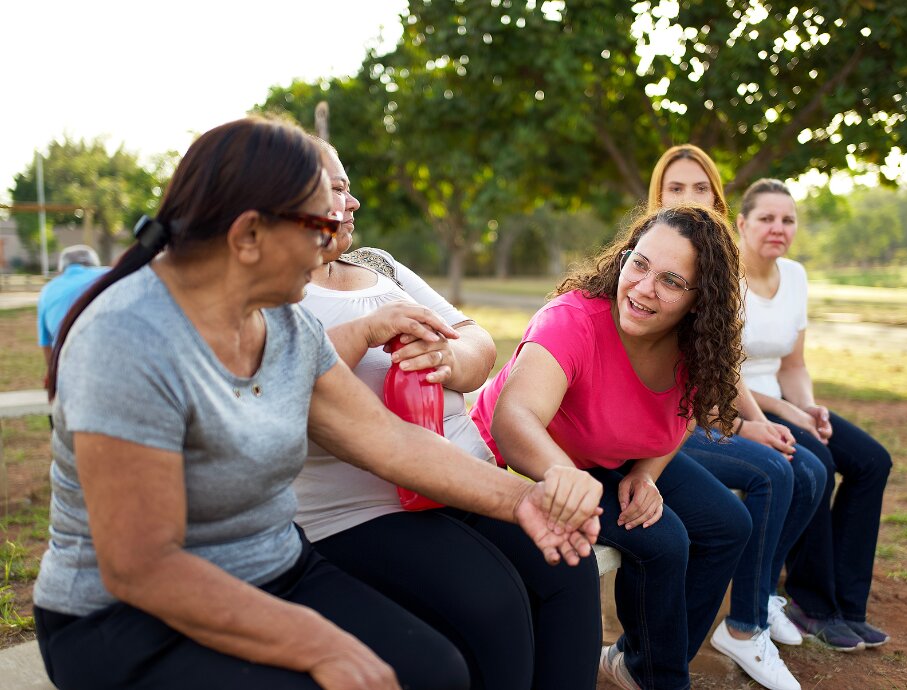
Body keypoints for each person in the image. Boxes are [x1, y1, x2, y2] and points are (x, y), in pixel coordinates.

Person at [32, 116, 601, 690]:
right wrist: (317, 643)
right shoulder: (127, 339)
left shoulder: (281, 322)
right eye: (317, 223)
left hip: (272, 569)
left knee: (434, 672)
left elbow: (390, 441)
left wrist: (527, 501)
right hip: (127, 620)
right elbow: (142, 567)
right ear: (248, 235)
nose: (332, 240)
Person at [293, 139, 603, 690]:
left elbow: (477, 343)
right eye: (338, 188)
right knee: (494, 602)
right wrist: (364, 330)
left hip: (457, 476)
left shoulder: (376, 263)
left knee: (569, 564)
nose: (354, 202)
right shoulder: (279, 291)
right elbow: (289, 379)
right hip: (364, 509)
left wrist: (447, 358)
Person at [471, 205, 753, 690]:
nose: (643, 288)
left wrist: (647, 474)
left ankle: (642, 665)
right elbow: (513, 422)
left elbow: (683, 415)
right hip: (530, 460)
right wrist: (572, 483)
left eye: (670, 280)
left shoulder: (697, 347)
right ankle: (663, 679)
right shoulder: (573, 321)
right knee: (664, 540)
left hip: (607, 454)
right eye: (638, 263)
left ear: (699, 300)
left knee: (729, 524)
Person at [647, 145, 828, 690]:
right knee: (772, 472)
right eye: (676, 189)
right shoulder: (645, 261)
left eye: (700, 189)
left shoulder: (715, 264)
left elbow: (724, 362)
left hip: (691, 415)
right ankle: (744, 626)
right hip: (656, 423)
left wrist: (755, 419)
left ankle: (759, 596)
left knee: (809, 471)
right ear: (657, 196)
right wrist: (739, 426)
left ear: (718, 199)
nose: (689, 199)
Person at [735, 178, 892, 651]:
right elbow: (723, 371)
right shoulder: (726, 278)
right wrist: (787, 412)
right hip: (742, 405)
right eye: (766, 218)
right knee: (818, 463)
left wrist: (809, 407)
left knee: (872, 461)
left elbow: (794, 364)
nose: (778, 228)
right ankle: (810, 602)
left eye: (788, 219)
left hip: (786, 400)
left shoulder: (796, 276)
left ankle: (848, 603)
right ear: (741, 224)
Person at [37, 244, 107, 371]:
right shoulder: (108, 274)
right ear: (94, 264)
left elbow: (46, 343)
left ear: (62, 269)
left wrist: (53, 376)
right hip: (109, 354)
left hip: (68, 363)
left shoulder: (47, 290)